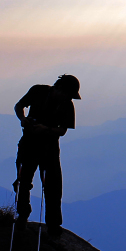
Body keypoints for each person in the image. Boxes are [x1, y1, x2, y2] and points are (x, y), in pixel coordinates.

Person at [13, 74, 80, 237]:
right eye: (68, 94)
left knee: (53, 185)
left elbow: (62, 131)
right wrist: (23, 119)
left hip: (49, 145)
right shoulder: (38, 91)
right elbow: (19, 106)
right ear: (61, 90)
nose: (69, 98)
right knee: (24, 180)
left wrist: (44, 129)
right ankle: (23, 216)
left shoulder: (67, 105)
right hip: (30, 142)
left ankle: (53, 224)